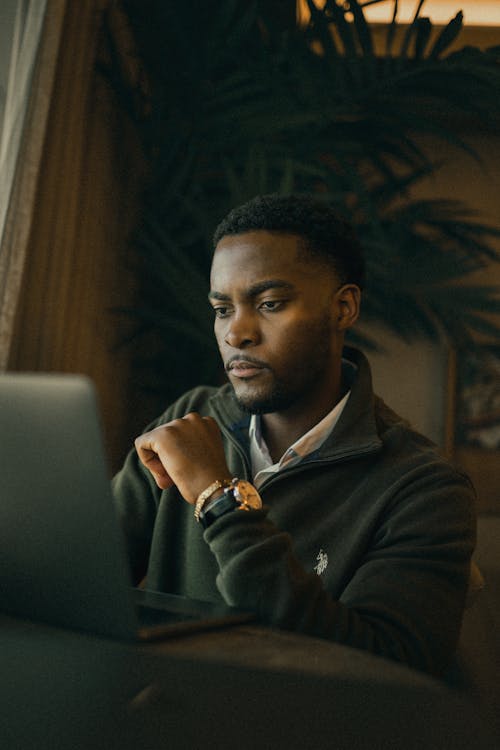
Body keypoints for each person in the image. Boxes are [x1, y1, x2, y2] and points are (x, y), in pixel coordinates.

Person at [112, 193, 476, 676]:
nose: (236, 333)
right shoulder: (191, 417)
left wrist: (221, 500)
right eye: (222, 309)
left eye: (269, 304)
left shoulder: (424, 487)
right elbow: (81, 568)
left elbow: (385, 670)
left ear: (343, 308)